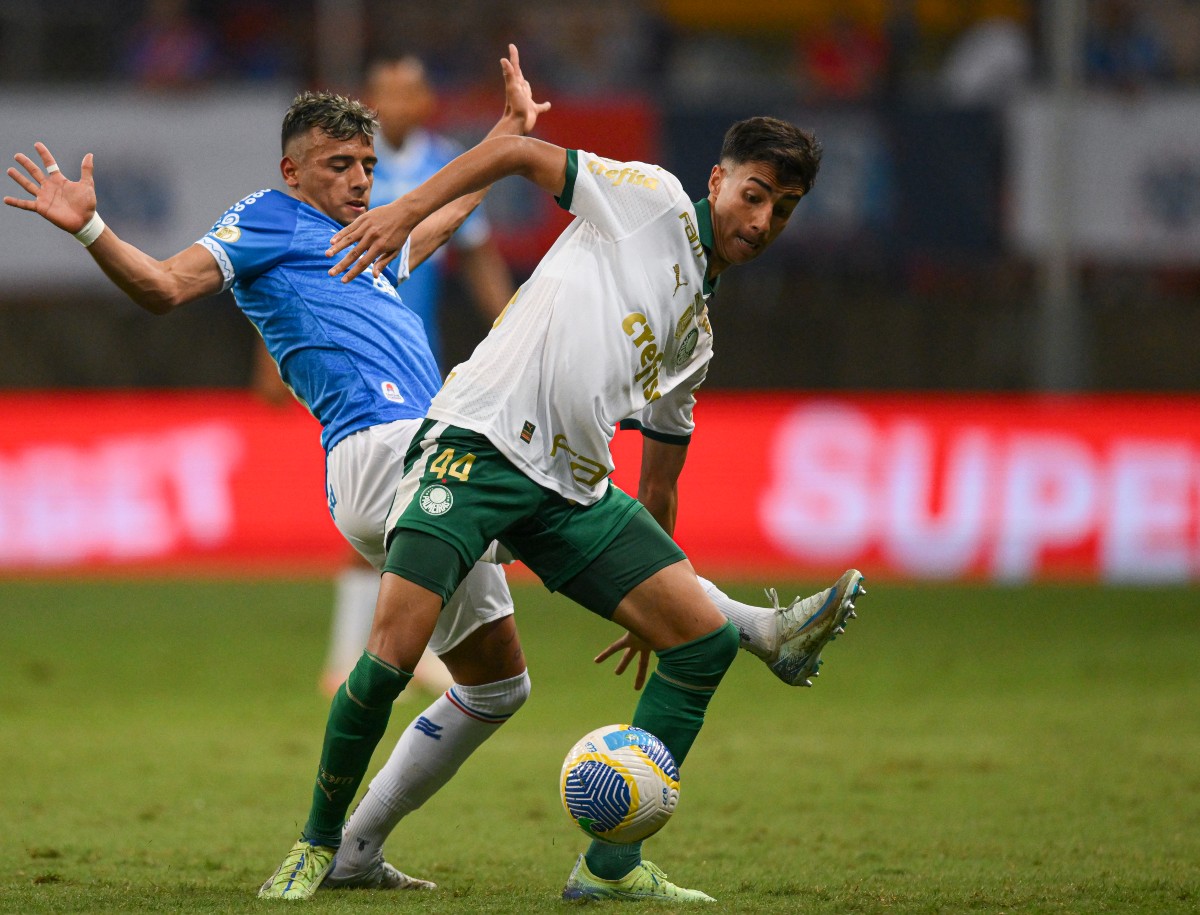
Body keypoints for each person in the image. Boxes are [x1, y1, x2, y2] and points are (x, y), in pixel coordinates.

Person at [5, 46, 862, 902]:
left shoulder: (376, 246)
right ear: (291, 170)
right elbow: (160, 284)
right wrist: (91, 227)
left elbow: (439, 223)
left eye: (369, 166)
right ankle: (319, 840)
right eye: (339, 165)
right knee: (395, 650)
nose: (360, 180)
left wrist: (503, 135)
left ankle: (361, 850)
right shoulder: (267, 219)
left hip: (486, 447)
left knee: (498, 684)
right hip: (401, 448)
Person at [291, 112, 865, 903]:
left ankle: (609, 868)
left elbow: (659, 484)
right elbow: (520, 153)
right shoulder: (651, 201)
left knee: (695, 643)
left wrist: (646, 606)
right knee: (392, 655)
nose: (762, 221)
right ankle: (320, 846)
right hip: (478, 443)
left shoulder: (695, 334)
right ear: (718, 182)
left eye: (784, 209)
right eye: (755, 194)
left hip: (571, 491)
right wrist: (404, 213)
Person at [316, 52, 518, 700]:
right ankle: (370, 655)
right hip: (353, 364)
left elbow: (478, 254)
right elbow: (289, 265)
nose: (395, 106)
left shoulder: (443, 164)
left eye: (408, 93)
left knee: (410, 506)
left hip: (419, 363)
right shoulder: (346, 171)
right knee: (397, 504)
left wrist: (515, 328)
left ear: (426, 102)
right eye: (383, 93)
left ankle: (377, 653)